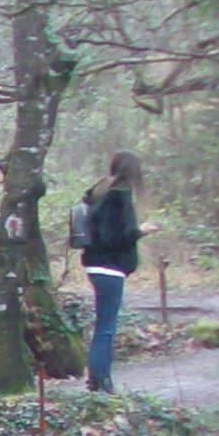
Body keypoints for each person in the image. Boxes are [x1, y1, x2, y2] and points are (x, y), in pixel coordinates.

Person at [79, 150, 145, 393]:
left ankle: (99, 379)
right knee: (106, 327)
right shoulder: (118, 197)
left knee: (104, 325)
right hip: (109, 267)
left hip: (96, 264)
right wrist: (140, 231)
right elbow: (113, 236)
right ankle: (100, 381)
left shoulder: (99, 192)